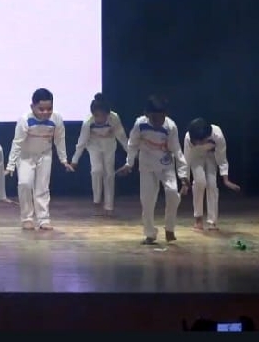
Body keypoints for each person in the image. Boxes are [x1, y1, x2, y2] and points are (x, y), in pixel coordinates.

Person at [118, 95, 190, 245]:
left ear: (166, 114)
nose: (158, 121)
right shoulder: (140, 124)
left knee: (173, 194)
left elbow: (177, 150)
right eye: (154, 118)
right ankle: (150, 233)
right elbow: (132, 144)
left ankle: (169, 228)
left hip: (165, 165)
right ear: (147, 114)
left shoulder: (170, 127)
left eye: (161, 117)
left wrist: (183, 175)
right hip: (147, 166)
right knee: (147, 201)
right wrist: (129, 163)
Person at [5, 88, 74, 230]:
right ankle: (27, 218)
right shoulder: (25, 120)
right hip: (25, 156)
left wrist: (64, 160)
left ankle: (43, 219)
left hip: (45, 155)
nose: (45, 112)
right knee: (25, 184)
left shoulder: (56, 118)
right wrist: (10, 165)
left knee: (42, 187)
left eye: (49, 109)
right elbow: (17, 143)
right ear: (32, 107)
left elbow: (60, 139)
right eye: (41, 109)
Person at [70, 93, 129, 216]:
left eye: (103, 115)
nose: (100, 119)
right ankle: (97, 199)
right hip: (94, 146)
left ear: (108, 114)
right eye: (97, 115)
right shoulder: (88, 122)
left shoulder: (114, 118)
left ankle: (109, 205)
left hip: (109, 146)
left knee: (109, 174)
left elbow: (122, 137)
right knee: (97, 170)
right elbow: (81, 142)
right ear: (93, 114)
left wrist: (131, 155)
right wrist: (75, 160)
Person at [184, 118, 240, 230]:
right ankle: (198, 219)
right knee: (200, 182)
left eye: (200, 141)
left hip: (211, 157)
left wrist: (226, 179)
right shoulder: (189, 137)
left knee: (212, 185)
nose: (198, 143)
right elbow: (187, 159)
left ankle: (212, 221)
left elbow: (222, 157)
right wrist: (185, 181)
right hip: (196, 157)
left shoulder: (217, 134)